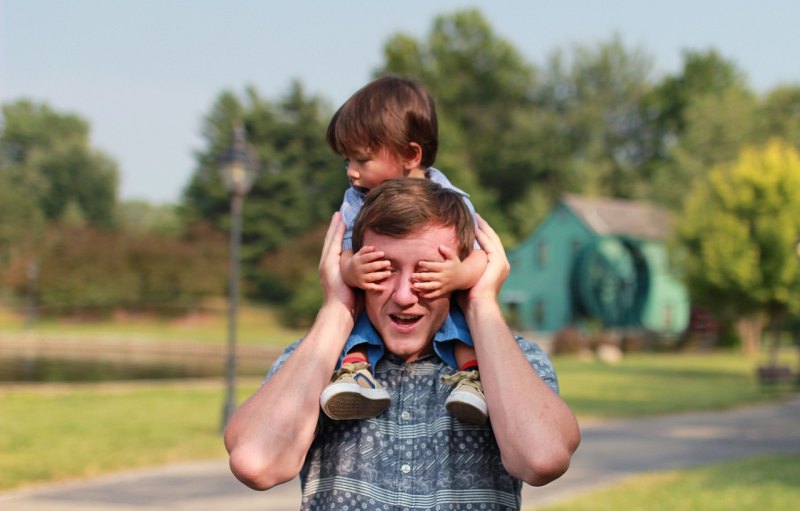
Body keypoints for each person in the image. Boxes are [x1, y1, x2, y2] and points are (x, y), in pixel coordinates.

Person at [224, 179, 581, 510]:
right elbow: (256, 463)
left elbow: (541, 459)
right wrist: (337, 306)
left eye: (427, 273)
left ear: (459, 278)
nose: (404, 295)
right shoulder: (320, 360)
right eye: (384, 269)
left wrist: (481, 303)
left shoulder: (510, 360)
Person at [321, 74, 490, 425]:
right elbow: (343, 251)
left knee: (459, 312)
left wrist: (458, 274)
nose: (351, 173)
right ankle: (355, 372)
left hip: (438, 290)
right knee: (360, 307)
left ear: (410, 154)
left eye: (362, 161)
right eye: (347, 161)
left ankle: (473, 378)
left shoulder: (449, 200)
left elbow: (481, 256)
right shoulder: (357, 200)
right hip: (377, 292)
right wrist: (351, 270)